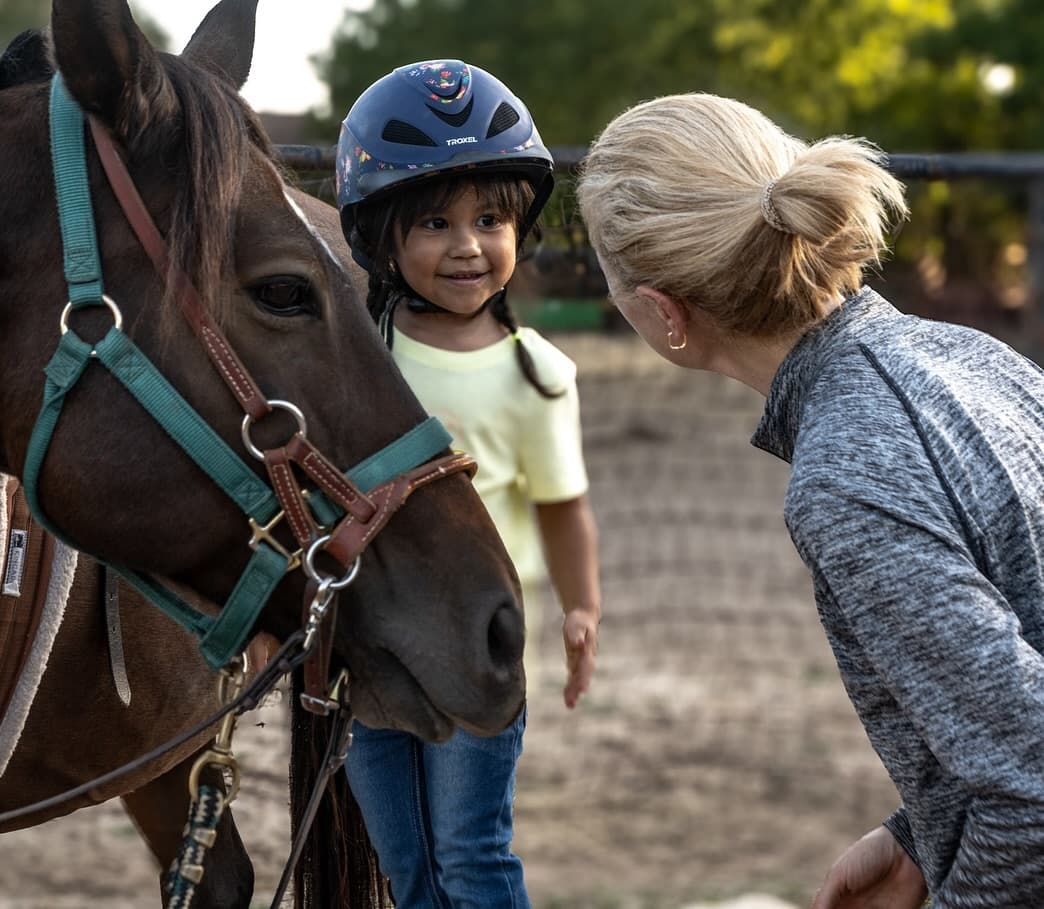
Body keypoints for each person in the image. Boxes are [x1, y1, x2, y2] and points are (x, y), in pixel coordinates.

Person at [575, 92, 1044, 908]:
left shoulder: (845, 477)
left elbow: (1035, 786)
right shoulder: (969, 354)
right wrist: (921, 835)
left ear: (661, 313)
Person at [332, 59, 602, 908]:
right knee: (405, 864)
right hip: (370, 641)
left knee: (471, 854)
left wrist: (581, 606)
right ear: (381, 239)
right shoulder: (358, 362)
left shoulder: (538, 373)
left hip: (479, 648)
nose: (468, 245)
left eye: (491, 218)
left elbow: (564, 505)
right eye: (436, 223)